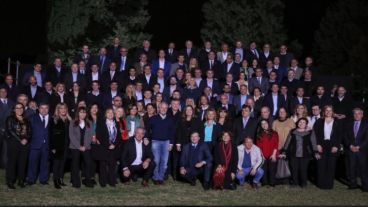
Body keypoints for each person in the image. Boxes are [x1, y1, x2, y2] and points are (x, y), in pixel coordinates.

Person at [280, 118, 317, 187]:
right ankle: (295, 183)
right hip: (293, 154)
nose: (301, 123)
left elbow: (313, 142)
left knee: (303, 169)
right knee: (294, 169)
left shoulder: (310, 132)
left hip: (305, 154)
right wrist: (284, 152)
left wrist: (315, 152)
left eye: (303, 122)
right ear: (297, 123)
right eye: (300, 122)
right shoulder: (292, 131)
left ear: (306, 124)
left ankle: (303, 183)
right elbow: (287, 142)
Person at [313, 105, 342, 189]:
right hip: (321, 145)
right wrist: (317, 144)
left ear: (332, 112)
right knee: (321, 165)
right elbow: (315, 134)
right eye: (326, 110)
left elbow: (339, 135)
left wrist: (336, 146)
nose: (328, 112)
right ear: (324, 112)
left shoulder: (337, 122)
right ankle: (321, 184)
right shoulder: (319, 121)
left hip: (333, 145)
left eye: (330, 110)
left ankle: (329, 184)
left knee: (331, 165)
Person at [146, 102, 175, 184]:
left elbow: (172, 132)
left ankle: (161, 178)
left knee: (164, 161)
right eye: (162, 107)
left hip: (166, 142)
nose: (164, 109)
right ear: (159, 108)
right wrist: (146, 138)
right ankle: (156, 178)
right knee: (156, 160)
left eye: (165, 108)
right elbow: (147, 130)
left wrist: (171, 143)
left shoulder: (170, 120)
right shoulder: (153, 118)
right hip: (155, 142)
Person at [5, 103, 31, 189]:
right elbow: (10, 130)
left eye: (21, 108)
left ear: (23, 109)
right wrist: (20, 140)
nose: (19, 109)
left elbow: (30, 132)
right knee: (12, 163)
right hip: (14, 143)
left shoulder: (26, 120)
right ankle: (10, 181)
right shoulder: (10, 119)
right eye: (17, 108)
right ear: (14, 109)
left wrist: (26, 139)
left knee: (22, 163)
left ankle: (21, 181)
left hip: (25, 144)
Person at [95, 108, 122, 187]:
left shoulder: (116, 123)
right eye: (108, 113)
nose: (110, 114)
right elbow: (99, 135)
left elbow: (119, 136)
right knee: (103, 165)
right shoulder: (101, 123)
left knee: (112, 165)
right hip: (104, 147)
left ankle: (112, 181)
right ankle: (103, 182)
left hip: (114, 148)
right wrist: (107, 145)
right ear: (105, 114)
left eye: (112, 113)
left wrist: (114, 144)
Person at [69, 107, 94, 188]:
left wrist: (85, 146)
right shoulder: (72, 122)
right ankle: (75, 182)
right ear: (77, 113)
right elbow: (71, 136)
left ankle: (87, 181)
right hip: (75, 147)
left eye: (84, 112)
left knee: (88, 164)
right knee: (75, 165)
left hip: (86, 147)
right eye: (81, 112)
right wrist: (79, 146)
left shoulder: (89, 122)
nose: (82, 114)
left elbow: (90, 136)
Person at [344, 108, 368, 191]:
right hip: (351, 150)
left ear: (362, 115)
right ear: (353, 115)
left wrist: (359, 147)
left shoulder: (366, 124)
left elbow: (367, 139)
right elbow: (345, 137)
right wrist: (350, 146)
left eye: (359, 114)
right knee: (351, 168)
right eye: (355, 114)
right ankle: (353, 184)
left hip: (362, 151)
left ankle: (365, 186)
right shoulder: (348, 124)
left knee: (363, 169)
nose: (357, 115)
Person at [27, 103, 50, 185]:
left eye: (46, 108)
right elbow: (28, 132)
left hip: (47, 145)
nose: (44, 110)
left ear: (48, 109)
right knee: (33, 162)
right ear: (38, 109)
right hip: (35, 144)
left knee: (45, 163)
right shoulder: (32, 118)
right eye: (42, 108)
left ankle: (43, 179)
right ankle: (31, 179)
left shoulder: (52, 118)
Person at [49, 103, 71, 189]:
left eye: (65, 108)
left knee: (63, 164)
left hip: (66, 146)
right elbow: (51, 134)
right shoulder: (54, 119)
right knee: (56, 164)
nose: (63, 110)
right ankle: (55, 181)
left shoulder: (68, 120)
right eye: (61, 108)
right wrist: (53, 147)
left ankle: (60, 179)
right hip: (57, 146)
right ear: (58, 110)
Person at [256, 119, 278, 187]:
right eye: (262, 124)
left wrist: (274, 155)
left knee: (272, 169)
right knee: (264, 169)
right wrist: (262, 156)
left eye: (265, 123)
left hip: (273, 154)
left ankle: (272, 182)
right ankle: (264, 182)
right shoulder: (259, 134)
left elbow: (276, 144)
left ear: (268, 124)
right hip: (263, 154)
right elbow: (258, 147)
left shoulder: (274, 133)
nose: (264, 125)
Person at [0, 87, 14, 169]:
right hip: (0, 129)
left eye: (4, 91)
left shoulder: (12, 102)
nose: (3, 93)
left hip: (9, 130)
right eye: (1, 91)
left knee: (5, 149)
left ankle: (4, 164)